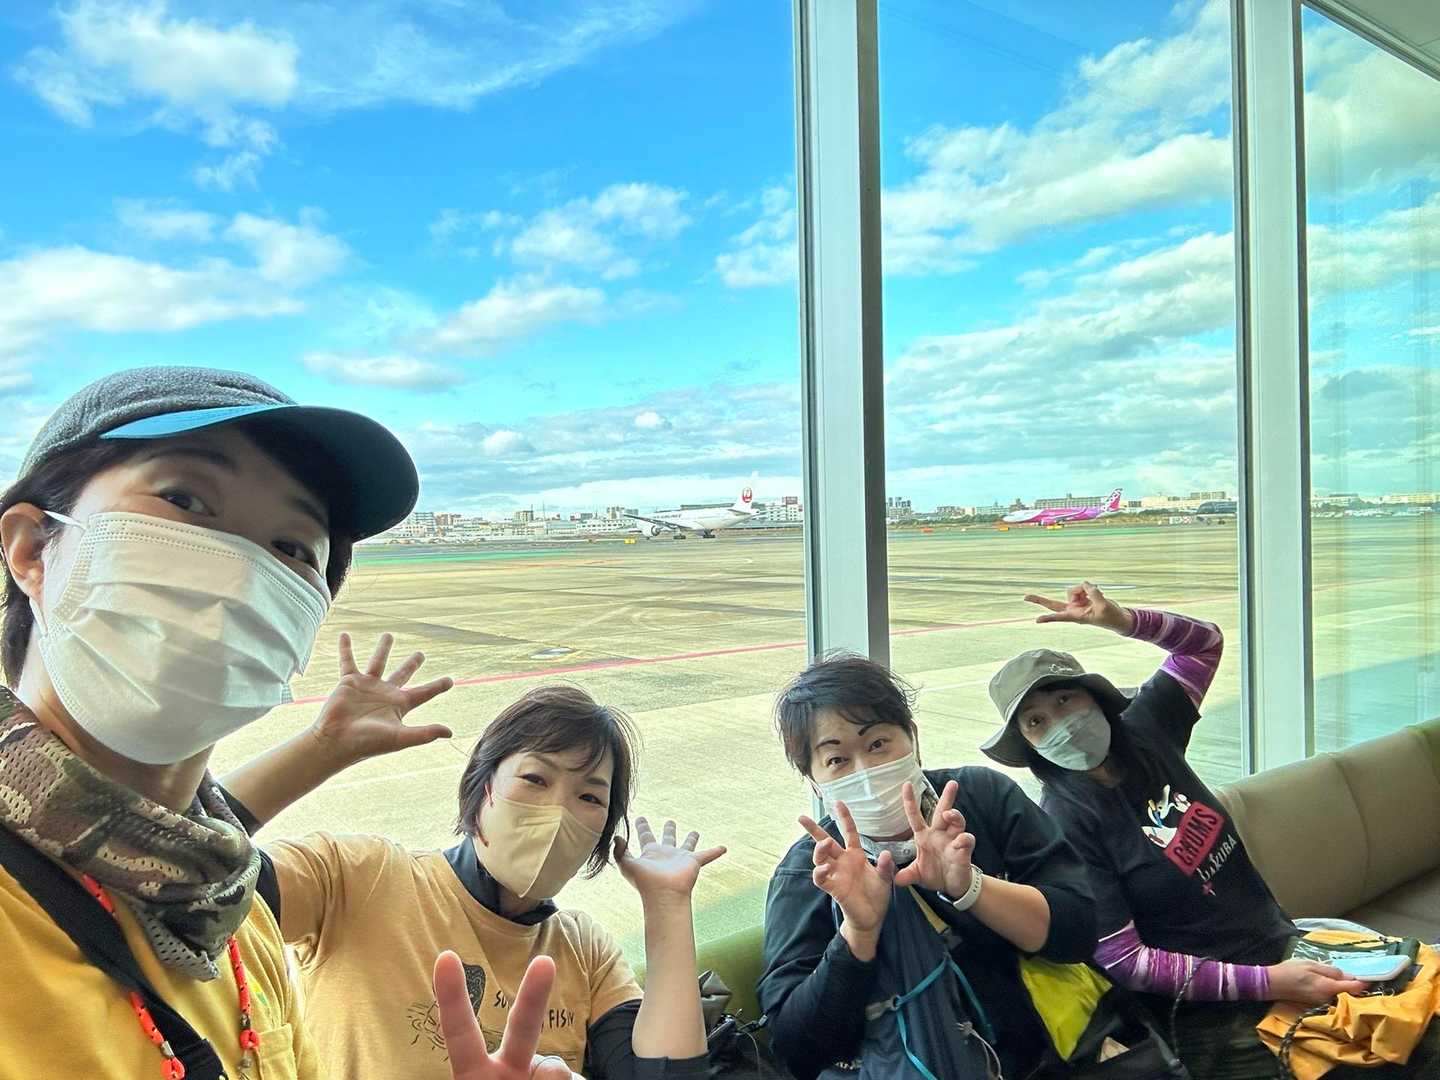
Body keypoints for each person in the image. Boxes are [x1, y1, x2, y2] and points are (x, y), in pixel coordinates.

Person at [220, 644, 723, 1080]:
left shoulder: (585, 951)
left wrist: (668, 906)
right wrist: (320, 749)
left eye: (590, 797)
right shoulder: (357, 876)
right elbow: (193, 871)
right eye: (535, 779)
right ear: (482, 787)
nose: (558, 813)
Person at [983, 581, 1390, 1078]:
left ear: (1095, 698)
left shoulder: (1148, 730)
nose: (1059, 724)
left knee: (1414, 1017)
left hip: (1285, 950)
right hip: (1208, 1016)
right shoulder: (1066, 823)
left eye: (1065, 700)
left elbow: (1203, 644)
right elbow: (1125, 960)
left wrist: (1121, 620)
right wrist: (1272, 982)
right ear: (1028, 746)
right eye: (1036, 722)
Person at [757, 652, 1098, 1080]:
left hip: (1042, 1061)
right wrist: (858, 935)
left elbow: (1079, 934)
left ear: (913, 739)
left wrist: (971, 888)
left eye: (878, 744)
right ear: (814, 781)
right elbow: (796, 1051)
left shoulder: (981, 798)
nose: (867, 770)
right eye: (837, 760)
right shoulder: (812, 872)